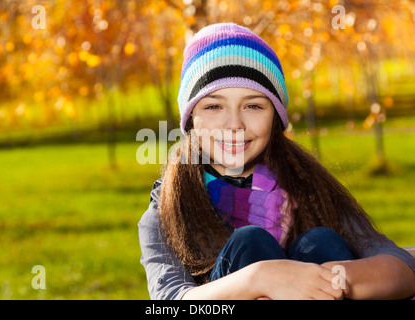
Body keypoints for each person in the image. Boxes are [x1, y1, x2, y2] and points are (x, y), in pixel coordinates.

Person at [138, 22, 415, 300]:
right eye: (213, 106)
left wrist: (332, 279)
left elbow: (401, 267)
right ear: (191, 119)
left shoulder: (308, 186)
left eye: (253, 105)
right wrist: (259, 279)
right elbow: (169, 299)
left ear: (275, 117)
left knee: (321, 241)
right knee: (251, 242)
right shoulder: (169, 206)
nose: (234, 124)